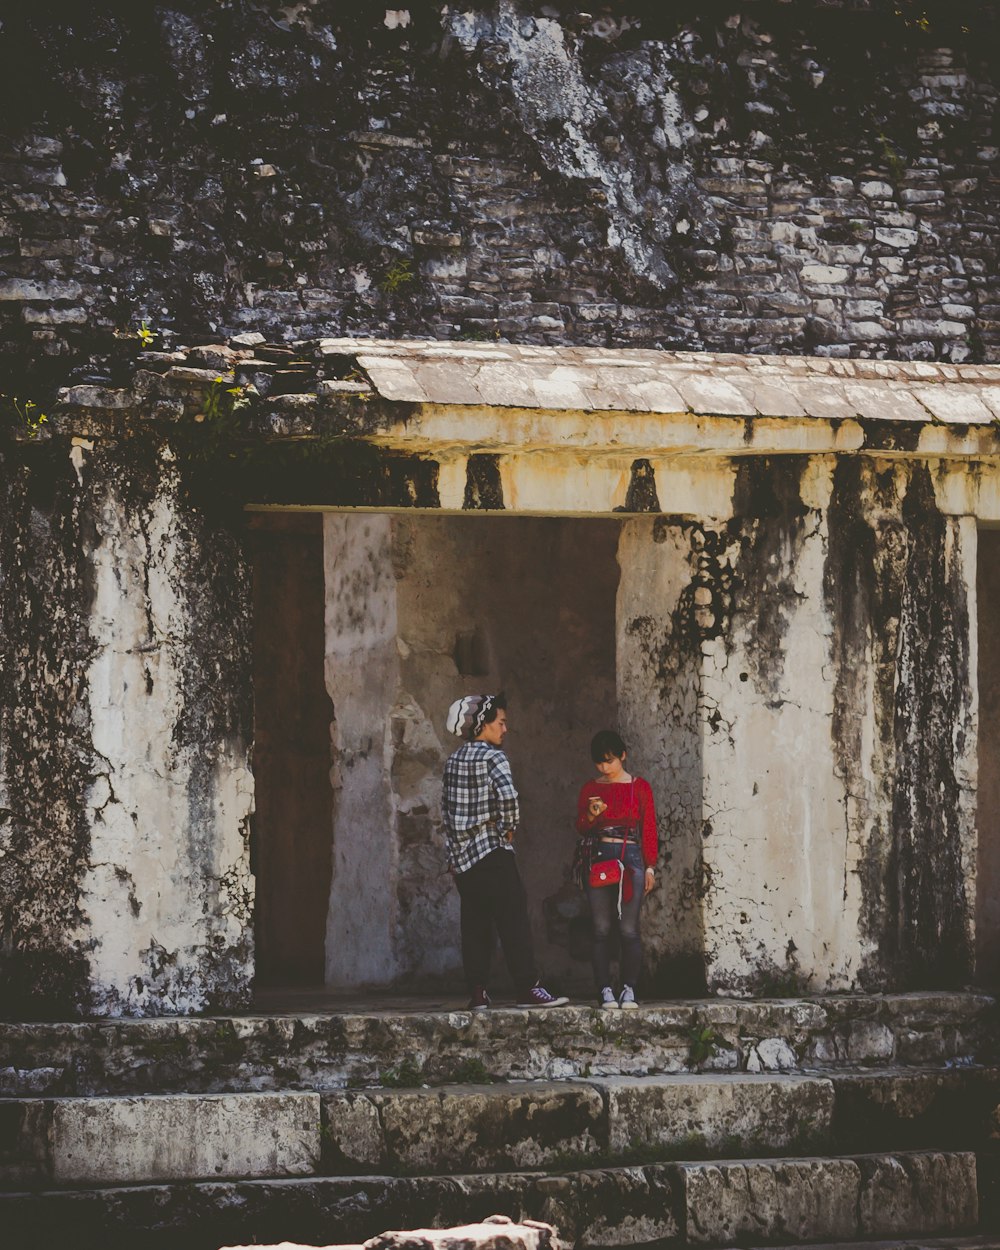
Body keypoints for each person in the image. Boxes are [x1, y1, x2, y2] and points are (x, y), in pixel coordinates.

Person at [442, 692, 569, 1012]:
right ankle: (528, 987)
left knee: (475, 926)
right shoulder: (493, 757)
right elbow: (509, 797)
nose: (504, 728)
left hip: (465, 861)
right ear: (482, 724)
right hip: (493, 851)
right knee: (513, 919)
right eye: (500, 722)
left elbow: (445, 811)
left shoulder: (453, 760)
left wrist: (454, 857)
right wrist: (508, 828)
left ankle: (478, 992)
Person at [576, 729, 658, 1010]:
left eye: (609, 761)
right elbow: (581, 827)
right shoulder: (590, 788)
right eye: (599, 762)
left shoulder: (640, 787)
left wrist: (650, 867)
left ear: (623, 755)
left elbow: (648, 828)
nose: (604, 767)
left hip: (632, 857)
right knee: (600, 928)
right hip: (599, 856)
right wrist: (590, 815)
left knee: (628, 929)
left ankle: (629, 989)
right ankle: (604, 990)